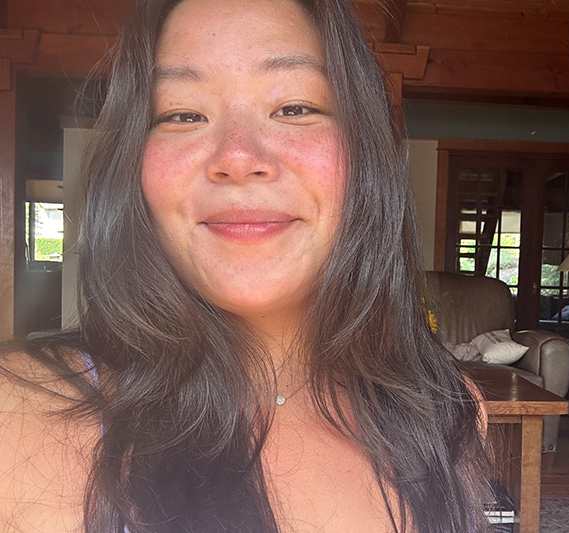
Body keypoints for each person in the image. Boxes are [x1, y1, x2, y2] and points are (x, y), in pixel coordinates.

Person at [0, 0, 492, 531]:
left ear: (364, 151)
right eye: (182, 114)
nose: (237, 157)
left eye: (295, 108)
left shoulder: (449, 411)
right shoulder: (21, 417)